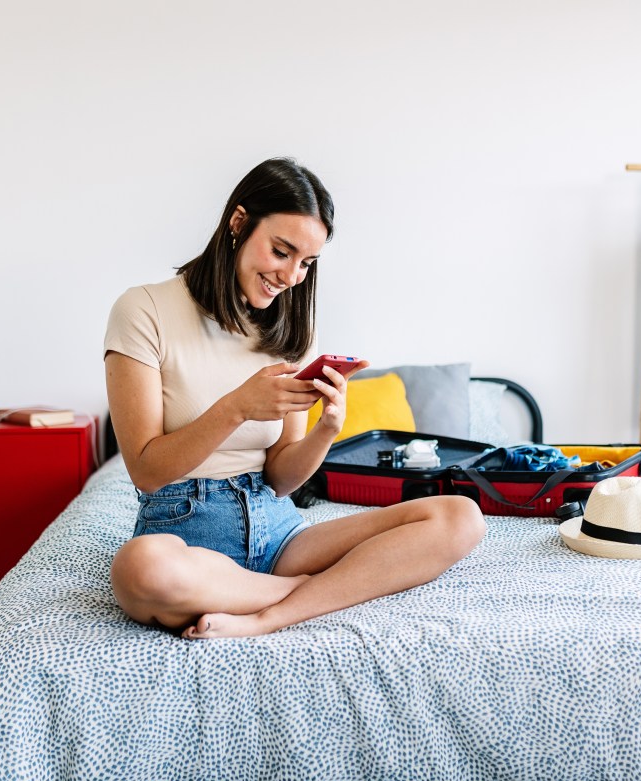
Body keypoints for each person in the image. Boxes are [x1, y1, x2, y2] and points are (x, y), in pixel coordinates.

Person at [103, 157, 485, 639]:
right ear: (238, 223)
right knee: (140, 568)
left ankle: (272, 612)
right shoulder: (143, 310)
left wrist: (326, 429)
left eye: (306, 263)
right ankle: (319, 590)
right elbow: (145, 469)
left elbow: (281, 479)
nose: (291, 276)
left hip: (278, 530)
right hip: (185, 531)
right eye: (281, 251)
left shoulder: (289, 330)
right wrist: (237, 406)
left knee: (459, 515)